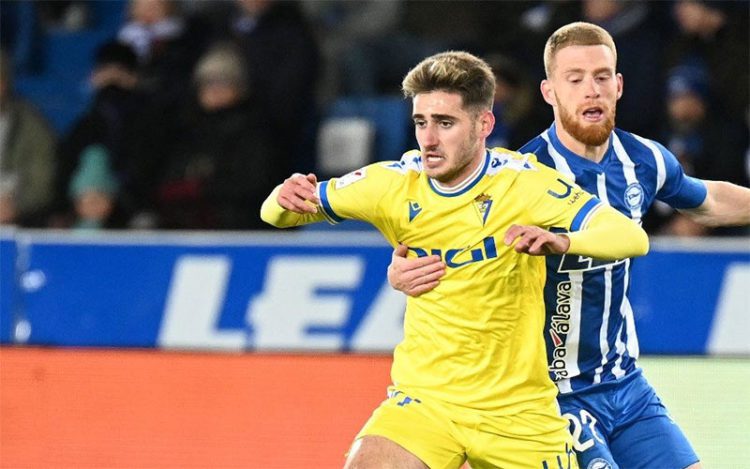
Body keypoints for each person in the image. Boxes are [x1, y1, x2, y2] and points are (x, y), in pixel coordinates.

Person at [261, 50, 650, 468]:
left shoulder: (524, 183)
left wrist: (561, 241)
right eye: (420, 123)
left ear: (484, 124)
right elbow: (277, 214)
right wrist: (284, 195)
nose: (428, 139)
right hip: (427, 403)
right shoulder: (392, 185)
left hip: (517, 413)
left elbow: (630, 237)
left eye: (445, 123)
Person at [387, 23, 750, 469]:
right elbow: (445, 238)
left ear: (618, 85)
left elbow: (709, 201)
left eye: (601, 77)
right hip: (548, 394)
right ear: (549, 92)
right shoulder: (518, 176)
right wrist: (400, 271)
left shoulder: (644, 160)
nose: (590, 90)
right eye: (574, 79)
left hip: (625, 385)